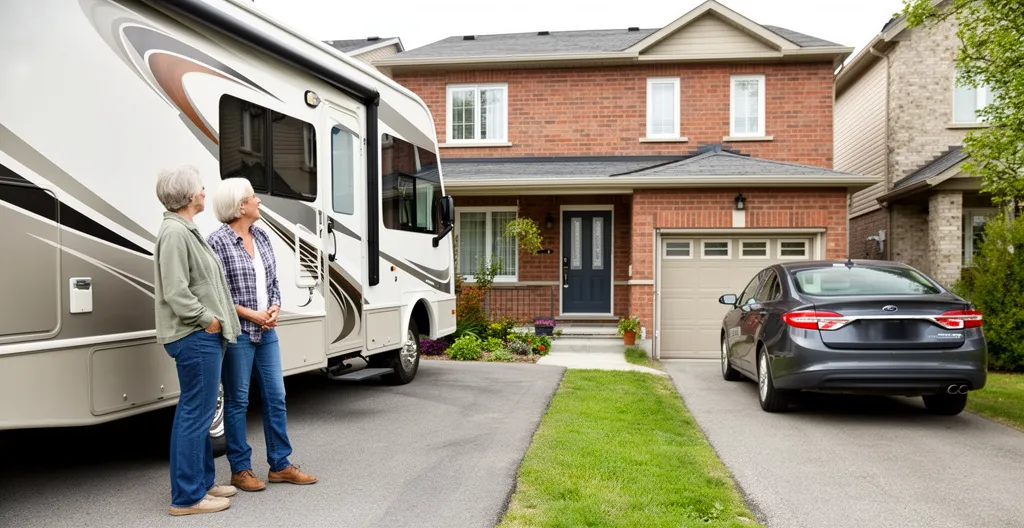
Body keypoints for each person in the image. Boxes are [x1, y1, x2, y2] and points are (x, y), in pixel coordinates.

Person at [207, 177, 318, 492]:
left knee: (276, 396)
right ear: (241, 205)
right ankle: (240, 470)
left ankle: (280, 465)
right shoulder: (217, 242)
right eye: (254, 197)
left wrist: (275, 308)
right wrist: (250, 313)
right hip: (239, 332)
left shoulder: (263, 236)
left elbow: (273, 282)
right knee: (238, 400)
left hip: (266, 331)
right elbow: (216, 294)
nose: (259, 201)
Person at [153, 166, 242, 516]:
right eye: (201, 188)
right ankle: (188, 497)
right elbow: (176, 290)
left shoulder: (185, 230)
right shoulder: (175, 233)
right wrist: (209, 320)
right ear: (190, 196)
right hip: (194, 335)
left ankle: (202, 482)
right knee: (195, 413)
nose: (206, 192)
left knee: (199, 413)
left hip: (198, 335)